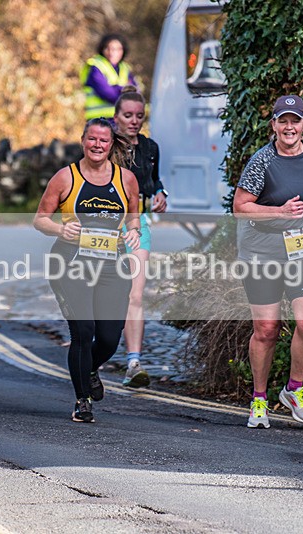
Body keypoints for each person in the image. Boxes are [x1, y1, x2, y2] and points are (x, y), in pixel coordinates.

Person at [231, 95, 303, 429]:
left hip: (301, 247)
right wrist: (279, 211)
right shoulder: (263, 160)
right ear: (273, 125)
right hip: (261, 251)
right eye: (282, 121)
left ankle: (293, 389)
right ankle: (259, 400)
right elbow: (240, 206)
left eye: (295, 120)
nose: (289, 127)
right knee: (266, 328)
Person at [33, 118, 141, 423]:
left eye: (103, 141)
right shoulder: (65, 178)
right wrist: (60, 230)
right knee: (83, 331)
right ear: (83, 141)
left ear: (111, 145)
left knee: (109, 337)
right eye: (92, 139)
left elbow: (134, 217)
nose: (97, 145)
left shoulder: (126, 180)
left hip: (112, 264)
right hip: (71, 263)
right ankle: (82, 400)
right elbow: (40, 219)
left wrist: (133, 231)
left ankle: (90, 368)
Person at [113, 86, 168, 387]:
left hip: (138, 225)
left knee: (136, 293)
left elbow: (154, 180)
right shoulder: (105, 144)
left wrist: (161, 194)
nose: (134, 121)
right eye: (128, 115)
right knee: (106, 294)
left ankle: (134, 362)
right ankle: (93, 354)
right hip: (106, 226)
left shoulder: (150, 147)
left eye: (139, 116)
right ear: (116, 117)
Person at [81, 34, 138, 120]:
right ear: (102, 49)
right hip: (99, 120)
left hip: (121, 120)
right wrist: (123, 89)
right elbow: (108, 94)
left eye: (117, 49)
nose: (112, 52)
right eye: (108, 48)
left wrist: (116, 88)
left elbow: (136, 94)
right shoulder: (96, 66)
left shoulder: (125, 68)